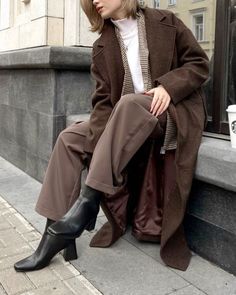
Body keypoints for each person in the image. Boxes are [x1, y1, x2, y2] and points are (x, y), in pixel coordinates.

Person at [14, 0, 209, 272]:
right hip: (126, 120)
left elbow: (199, 63)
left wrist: (168, 86)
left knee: (129, 104)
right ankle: (55, 235)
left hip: (170, 112)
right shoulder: (102, 45)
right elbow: (104, 105)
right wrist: (97, 143)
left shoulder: (166, 21)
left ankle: (87, 204)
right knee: (70, 138)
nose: (94, 1)